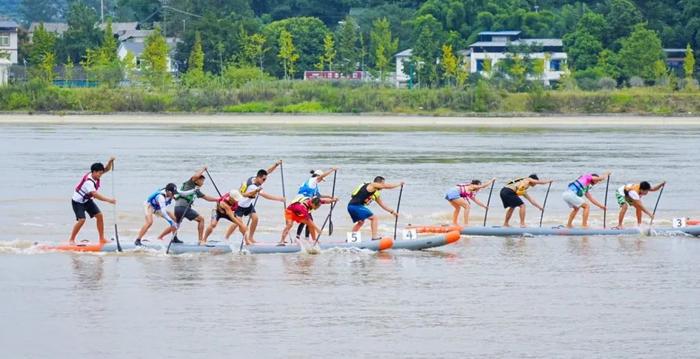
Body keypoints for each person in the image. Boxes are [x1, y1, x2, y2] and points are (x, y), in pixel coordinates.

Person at [224, 161, 285, 244]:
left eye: (265, 179)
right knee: (236, 224)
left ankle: (251, 238)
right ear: (259, 177)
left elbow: (268, 171)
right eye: (263, 179)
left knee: (255, 218)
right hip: (240, 205)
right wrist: (279, 199)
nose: (264, 181)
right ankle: (226, 238)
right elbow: (266, 196)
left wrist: (276, 164)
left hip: (248, 205)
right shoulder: (253, 186)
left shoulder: (254, 177)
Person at [69, 158, 116, 244]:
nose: (100, 175)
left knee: (99, 216)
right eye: (99, 173)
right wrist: (109, 200)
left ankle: (101, 239)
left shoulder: (96, 174)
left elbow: (107, 169)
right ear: (94, 172)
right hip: (77, 202)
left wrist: (110, 162)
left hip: (87, 200)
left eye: (101, 173)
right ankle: (71, 239)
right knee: (82, 220)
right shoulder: (89, 182)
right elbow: (95, 195)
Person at [173, 166, 220, 244]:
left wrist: (217, 199)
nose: (202, 183)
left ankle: (174, 239)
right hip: (183, 207)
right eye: (202, 181)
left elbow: (206, 197)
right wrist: (203, 169)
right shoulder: (190, 183)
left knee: (177, 223)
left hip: (177, 208)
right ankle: (201, 240)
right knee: (201, 220)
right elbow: (195, 176)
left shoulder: (196, 190)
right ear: (197, 180)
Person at [347, 176, 404, 240]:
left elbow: (382, 205)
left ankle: (350, 239)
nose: (383, 185)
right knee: (374, 218)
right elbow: (387, 186)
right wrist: (399, 184)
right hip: (355, 206)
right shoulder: (372, 185)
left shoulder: (375, 193)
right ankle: (374, 237)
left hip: (351, 206)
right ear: (378, 183)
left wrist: (393, 212)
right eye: (382, 183)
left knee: (361, 222)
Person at [295, 168, 338, 240]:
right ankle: (305, 238)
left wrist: (330, 197)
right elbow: (321, 177)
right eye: (321, 179)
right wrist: (332, 170)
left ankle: (300, 237)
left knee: (305, 220)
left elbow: (319, 196)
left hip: (302, 202)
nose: (321, 180)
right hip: (303, 203)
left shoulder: (312, 183)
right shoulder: (313, 180)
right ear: (318, 176)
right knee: (309, 220)